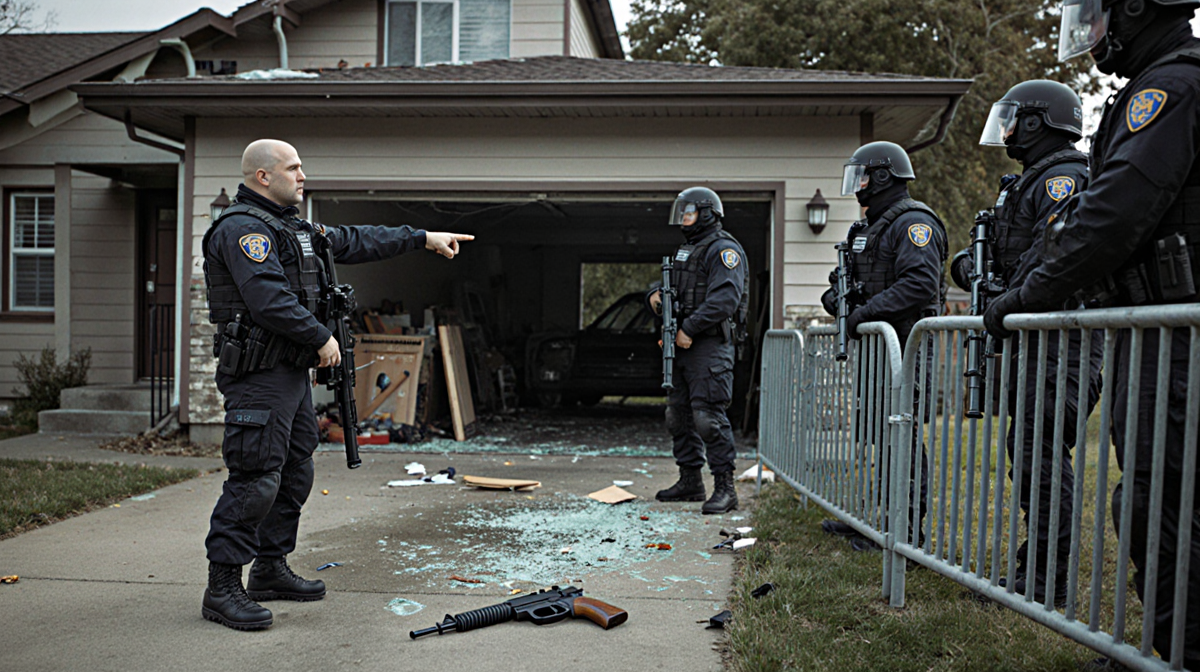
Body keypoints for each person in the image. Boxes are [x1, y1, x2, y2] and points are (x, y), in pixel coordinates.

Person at [985, 0, 1200, 664]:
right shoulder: (1159, 84)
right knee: (1152, 502)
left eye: (1099, 16)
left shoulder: (1172, 86)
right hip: (1152, 328)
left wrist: (1023, 296)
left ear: (1137, 8)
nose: (1092, 33)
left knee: (1161, 504)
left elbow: (1111, 218)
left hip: (1173, 334)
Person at [201, 139, 473, 630]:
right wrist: (320, 336)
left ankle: (269, 568)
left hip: (287, 374)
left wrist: (422, 237)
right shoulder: (244, 230)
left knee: (295, 469)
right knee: (256, 478)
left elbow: (355, 239)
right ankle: (222, 587)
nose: (303, 176)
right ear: (263, 176)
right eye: (293, 168)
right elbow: (266, 298)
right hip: (258, 377)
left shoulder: (295, 227)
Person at [950, 80, 1103, 606]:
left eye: (1013, 117)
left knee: (1039, 451)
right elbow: (1012, 256)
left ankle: (1045, 579)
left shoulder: (1064, 176)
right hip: (1036, 333)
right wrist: (976, 271)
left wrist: (1006, 301)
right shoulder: (1029, 181)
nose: (1007, 128)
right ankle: (1035, 564)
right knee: (1028, 448)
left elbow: (1051, 254)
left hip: (1063, 336)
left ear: (1038, 122)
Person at [818, 141, 947, 551]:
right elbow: (851, 285)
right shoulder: (867, 229)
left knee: (901, 434)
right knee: (881, 435)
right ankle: (879, 523)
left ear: (883, 176)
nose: (856, 184)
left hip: (904, 345)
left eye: (862, 175)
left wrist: (860, 316)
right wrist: (838, 302)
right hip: (878, 349)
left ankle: (906, 532)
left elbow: (919, 283)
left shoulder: (912, 222)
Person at [646, 186, 749, 514]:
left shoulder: (723, 250)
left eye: (688, 213)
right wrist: (653, 296)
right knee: (678, 416)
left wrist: (689, 329)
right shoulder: (687, 251)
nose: (683, 219)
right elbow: (673, 288)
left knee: (708, 418)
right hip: (682, 347)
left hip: (709, 347)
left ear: (706, 214)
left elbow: (725, 299)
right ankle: (690, 480)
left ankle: (725, 488)